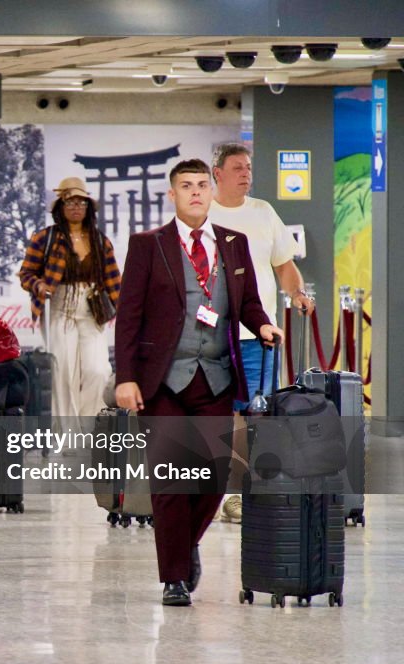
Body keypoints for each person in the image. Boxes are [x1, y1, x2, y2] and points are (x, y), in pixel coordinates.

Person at [114, 159, 282, 606]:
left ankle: (185, 543)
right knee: (170, 481)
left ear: (211, 192)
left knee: (209, 477)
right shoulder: (148, 245)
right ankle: (173, 577)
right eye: (185, 186)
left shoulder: (234, 243)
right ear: (171, 195)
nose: (194, 192)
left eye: (201, 185)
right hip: (163, 381)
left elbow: (246, 303)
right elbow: (129, 316)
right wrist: (125, 377)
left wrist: (263, 325)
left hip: (216, 377)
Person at [209, 142, 315, 524]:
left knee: (254, 414)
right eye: (237, 167)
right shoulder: (203, 213)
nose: (245, 173)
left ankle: (241, 491)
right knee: (218, 416)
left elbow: (283, 265)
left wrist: (298, 294)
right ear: (217, 172)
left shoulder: (263, 212)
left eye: (248, 167)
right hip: (211, 335)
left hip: (258, 333)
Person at [18, 177, 121, 416]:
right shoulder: (46, 238)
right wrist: (38, 285)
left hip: (91, 309)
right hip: (59, 308)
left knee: (98, 370)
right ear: (60, 208)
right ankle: (67, 437)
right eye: (70, 202)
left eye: (81, 202)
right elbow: (26, 273)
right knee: (64, 375)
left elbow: (114, 281)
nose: (76, 207)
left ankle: (90, 426)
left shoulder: (99, 240)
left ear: (88, 208)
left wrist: (126, 313)